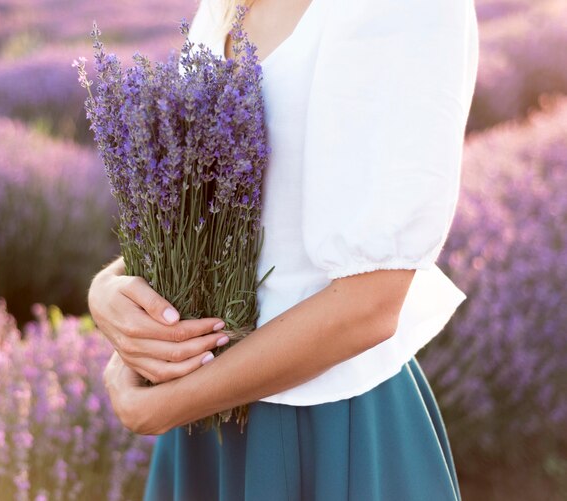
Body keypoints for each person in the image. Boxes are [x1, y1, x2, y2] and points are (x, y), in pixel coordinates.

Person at [88, 0, 479, 499]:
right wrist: (109, 293)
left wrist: (169, 402)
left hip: (325, 427)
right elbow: (207, 212)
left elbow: (370, 304)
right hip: (203, 422)